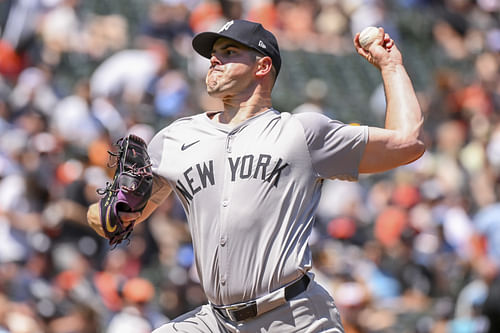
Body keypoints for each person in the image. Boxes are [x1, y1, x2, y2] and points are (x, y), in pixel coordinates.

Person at [87, 19, 424, 333]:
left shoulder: (302, 132)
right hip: (216, 321)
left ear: (262, 66)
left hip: (293, 316)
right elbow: (112, 220)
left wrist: (390, 66)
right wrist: (112, 210)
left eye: (229, 52)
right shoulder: (174, 139)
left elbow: (408, 142)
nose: (214, 60)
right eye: (213, 54)